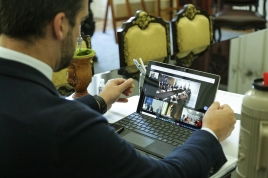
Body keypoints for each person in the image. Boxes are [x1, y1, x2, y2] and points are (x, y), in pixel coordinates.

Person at [0, 0, 236, 177]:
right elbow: (166, 175)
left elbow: (40, 110)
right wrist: (210, 133)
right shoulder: (70, 125)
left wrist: (99, 101)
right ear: (60, 25)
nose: (80, 35)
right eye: (81, 23)